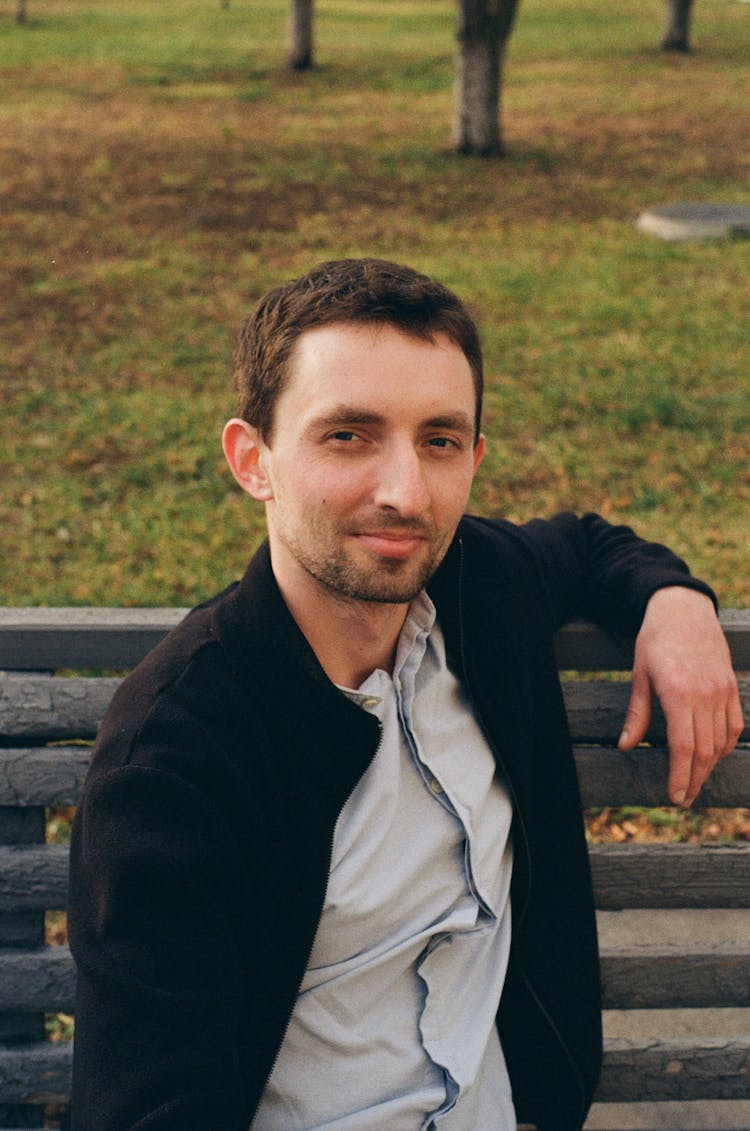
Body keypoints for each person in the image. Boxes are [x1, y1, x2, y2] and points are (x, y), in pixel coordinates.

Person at [68, 258, 743, 1131]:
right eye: (348, 435)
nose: (405, 492)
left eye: (439, 440)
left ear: (474, 456)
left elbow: (586, 545)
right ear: (252, 459)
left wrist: (675, 600)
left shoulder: (482, 589)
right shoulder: (174, 755)